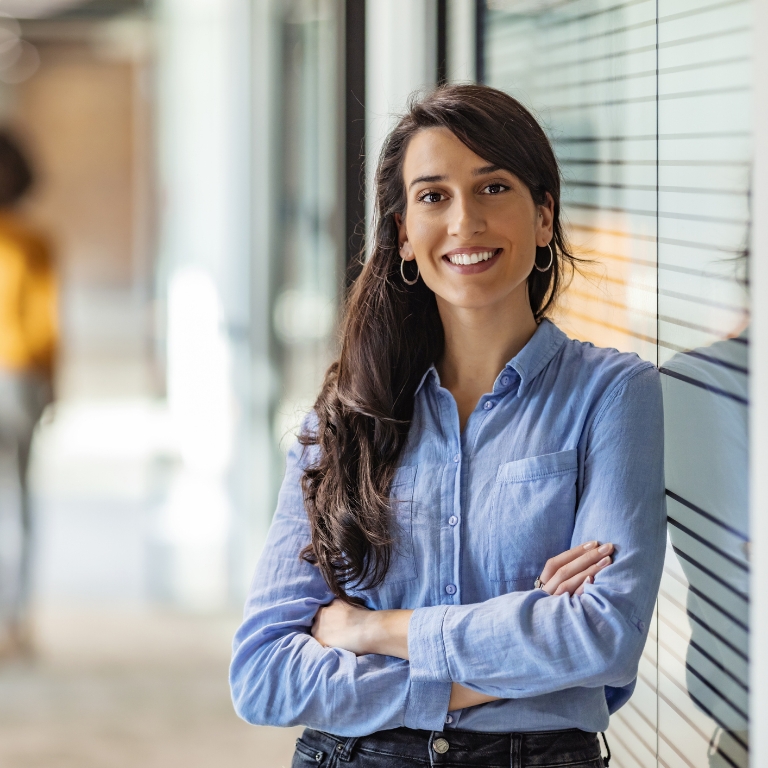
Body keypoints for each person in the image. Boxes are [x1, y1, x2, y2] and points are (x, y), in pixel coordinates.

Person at [230, 85, 666, 768]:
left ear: (545, 216)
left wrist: (374, 629)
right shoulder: (345, 418)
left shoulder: (612, 394)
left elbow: (602, 635)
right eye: (433, 197)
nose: (465, 221)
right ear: (403, 233)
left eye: (493, 188)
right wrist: (516, 656)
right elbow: (261, 675)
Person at [0, 131, 57, 656]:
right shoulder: (30, 239)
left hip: (18, 376)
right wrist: (52, 387)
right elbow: (45, 325)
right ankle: (13, 623)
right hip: (18, 378)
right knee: (17, 501)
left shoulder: (30, 241)